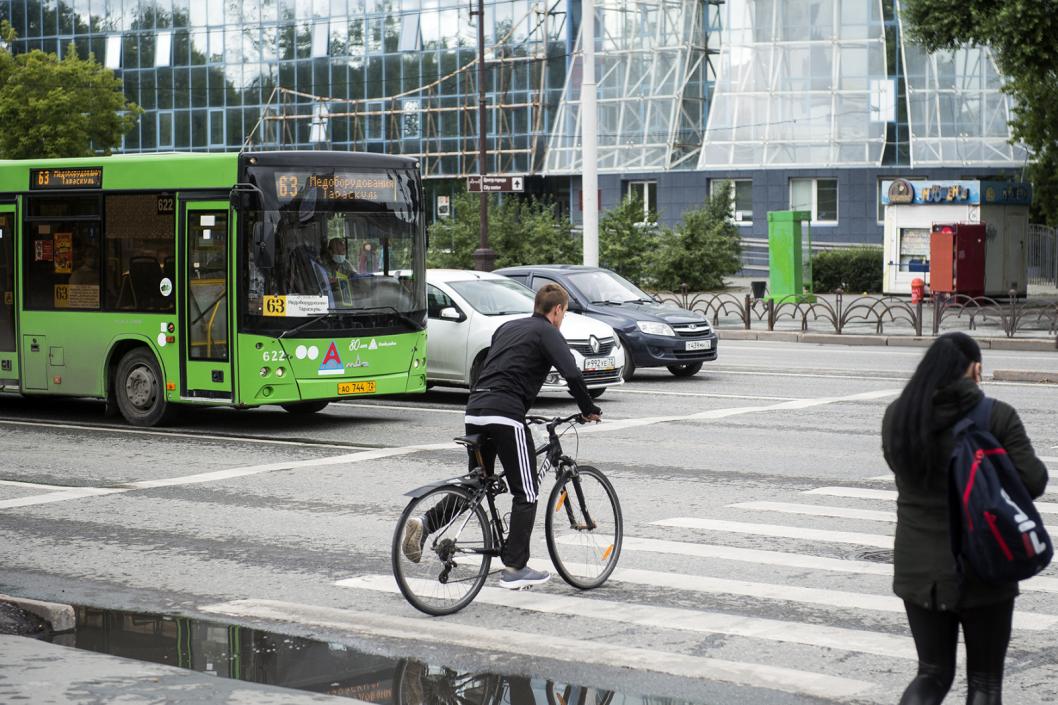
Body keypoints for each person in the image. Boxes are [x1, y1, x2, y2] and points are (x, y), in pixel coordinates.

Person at [881, 332, 1048, 705]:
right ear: (974, 368)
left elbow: (899, 467)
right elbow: (1033, 482)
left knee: (932, 673)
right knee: (985, 682)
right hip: (984, 564)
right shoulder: (994, 415)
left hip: (918, 568)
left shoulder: (899, 415)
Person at [402, 283, 602, 589]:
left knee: (477, 482)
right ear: (558, 310)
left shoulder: (506, 327)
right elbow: (571, 373)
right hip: (505, 414)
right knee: (528, 491)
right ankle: (514, 567)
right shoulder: (548, 331)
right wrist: (588, 408)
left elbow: (499, 365)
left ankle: (425, 522)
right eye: (564, 313)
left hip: (475, 408)